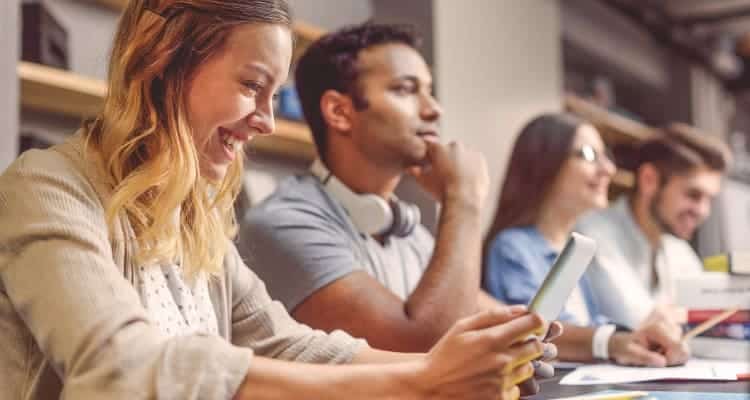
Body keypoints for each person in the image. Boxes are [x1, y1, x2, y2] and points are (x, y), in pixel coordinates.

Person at [0, 2, 546, 399]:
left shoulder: (193, 217)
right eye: (251, 85)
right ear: (164, 58)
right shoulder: (45, 188)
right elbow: (122, 366)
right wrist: (423, 381)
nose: (264, 119)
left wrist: (454, 366)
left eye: (272, 94)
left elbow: (284, 341)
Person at [240, 21, 559, 392]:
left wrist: (608, 342)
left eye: (429, 91)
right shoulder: (283, 223)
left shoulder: (404, 227)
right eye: (406, 90)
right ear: (339, 111)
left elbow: (496, 319)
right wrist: (463, 197)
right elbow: (427, 351)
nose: (434, 109)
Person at [483, 113, 690, 367]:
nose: (608, 169)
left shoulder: (573, 248)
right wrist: (612, 342)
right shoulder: (513, 248)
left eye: (607, 157)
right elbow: (535, 333)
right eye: (590, 155)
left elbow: (589, 325)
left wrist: (636, 338)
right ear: (546, 164)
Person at [577, 123, 733, 329]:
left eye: (709, 199)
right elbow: (642, 325)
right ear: (649, 179)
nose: (703, 211)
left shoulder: (679, 251)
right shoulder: (593, 234)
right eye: (693, 195)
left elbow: (718, 320)